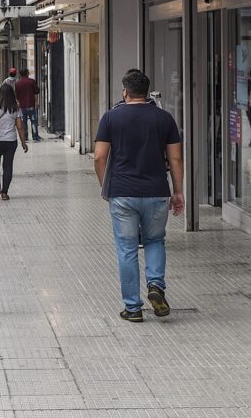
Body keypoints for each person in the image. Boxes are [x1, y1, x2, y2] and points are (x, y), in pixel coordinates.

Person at [93, 70, 183, 323]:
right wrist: (178, 191)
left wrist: (105, 187)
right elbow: (175, 158)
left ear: (125, 91)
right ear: (146, 91)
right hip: (156, 192)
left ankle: (133, 308)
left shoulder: (111, 118)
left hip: (122, 192)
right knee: (155, 240)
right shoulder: (164, 118)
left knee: (127, 249)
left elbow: (99, 157)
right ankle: (156, 286)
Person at [0, 84, 28, 201]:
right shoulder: (15, 107)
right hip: (11, 141)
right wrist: (23, 143)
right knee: (8, 166)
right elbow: (20, 126)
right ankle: (4, 193)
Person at [14, 68, 41, 141]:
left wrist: (18, 104)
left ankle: (25, 137)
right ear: (27, 73)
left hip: (22, 106)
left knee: (24, 122)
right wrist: (36, 102)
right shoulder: (32, 82)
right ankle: (35, 136)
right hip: (31, 105)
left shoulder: (17, 83)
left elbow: (16, 96)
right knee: (33, 121)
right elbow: (36, 91)